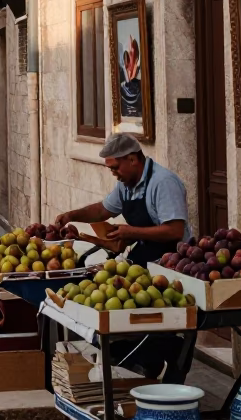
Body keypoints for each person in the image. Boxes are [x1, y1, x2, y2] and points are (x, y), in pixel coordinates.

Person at [55, 132, 192, 381]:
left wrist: (132, 231)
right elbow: (103, 210)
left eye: (115, 168)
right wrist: (71, 215)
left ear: (132, 159)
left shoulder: (163, 183)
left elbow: (175, 230)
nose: (114, 174)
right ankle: (140, 366)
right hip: (144, 259)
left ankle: (157, 363)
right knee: (135, 322)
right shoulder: (126, 185)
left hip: (172, 263)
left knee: (158, 324)